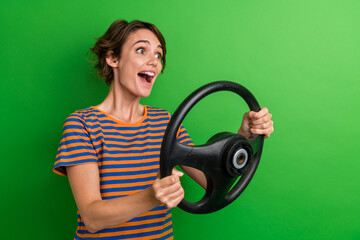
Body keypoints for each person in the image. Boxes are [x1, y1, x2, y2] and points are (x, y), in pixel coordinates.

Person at [53, 19, 274, 240]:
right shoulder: (81, 124)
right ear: (113, 58)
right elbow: (92, 218)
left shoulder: (164, 122)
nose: (154, 62)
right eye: (141, 50)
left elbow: (213, 181)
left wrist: (243, 138)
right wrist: (152, 196)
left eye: (158, 55)